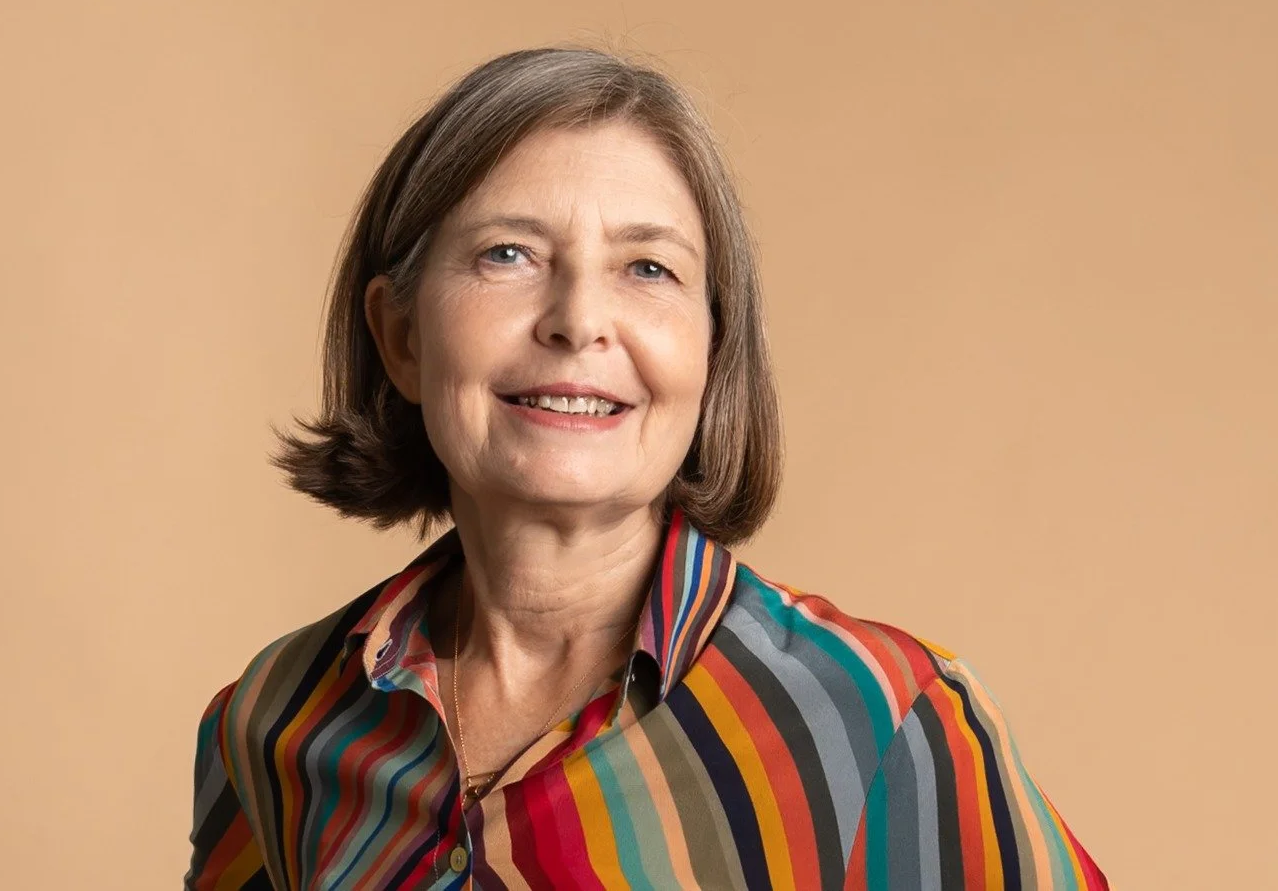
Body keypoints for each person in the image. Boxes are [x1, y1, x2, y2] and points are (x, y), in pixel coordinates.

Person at [185, 46, 1109, 890]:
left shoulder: (878, 717)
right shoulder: (277, 718)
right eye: (508, 254)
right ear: (400, 338)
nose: (579, 319)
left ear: (711, 350)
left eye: (648, 269)